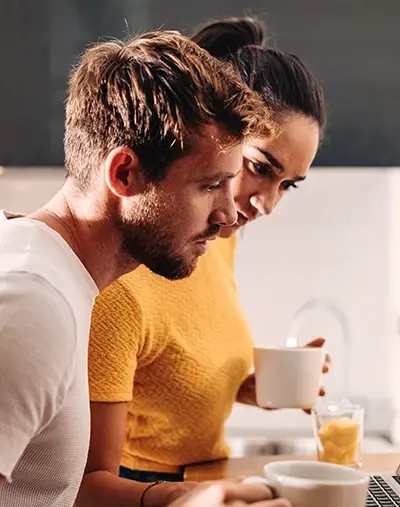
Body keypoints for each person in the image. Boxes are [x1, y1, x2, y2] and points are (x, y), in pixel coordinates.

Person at [0, 29, 273, 507]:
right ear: (125, 173)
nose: (230, 216)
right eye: (210, 186)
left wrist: (182, 498)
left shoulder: (59, 278)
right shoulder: (33, 306)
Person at [82, 16, 327, 507]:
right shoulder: (124, 282)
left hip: (203, 480)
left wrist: (250, 387)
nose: (267, 205)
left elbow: (166, 372)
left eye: (288, 185)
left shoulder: (216, 241)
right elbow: (84, 486)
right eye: (261, 169)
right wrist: (190, 497)